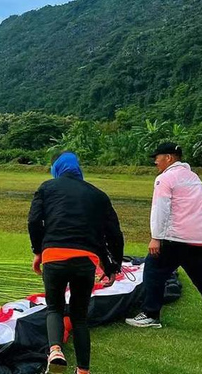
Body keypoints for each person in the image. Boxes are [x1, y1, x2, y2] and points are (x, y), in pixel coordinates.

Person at [28, 151, 124, 374]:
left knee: (54, 307)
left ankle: (55, 350)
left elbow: (34, 221)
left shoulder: (46, 188)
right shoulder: (98, 195)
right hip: (85, 261)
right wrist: (112, 267)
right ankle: (83, 370)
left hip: (54, 256)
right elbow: (113, 234)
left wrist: (38, 251)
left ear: (57, 169)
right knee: (80, 316)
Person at [126, 142, 202, 329]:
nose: (155, 162)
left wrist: (156, 237)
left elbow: (160, 209)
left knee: (153, 271)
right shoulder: (194, 178)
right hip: (196, 238)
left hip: (174, 238)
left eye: (157, 157)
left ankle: (151, 314)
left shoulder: (165, 179)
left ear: (168, 158)